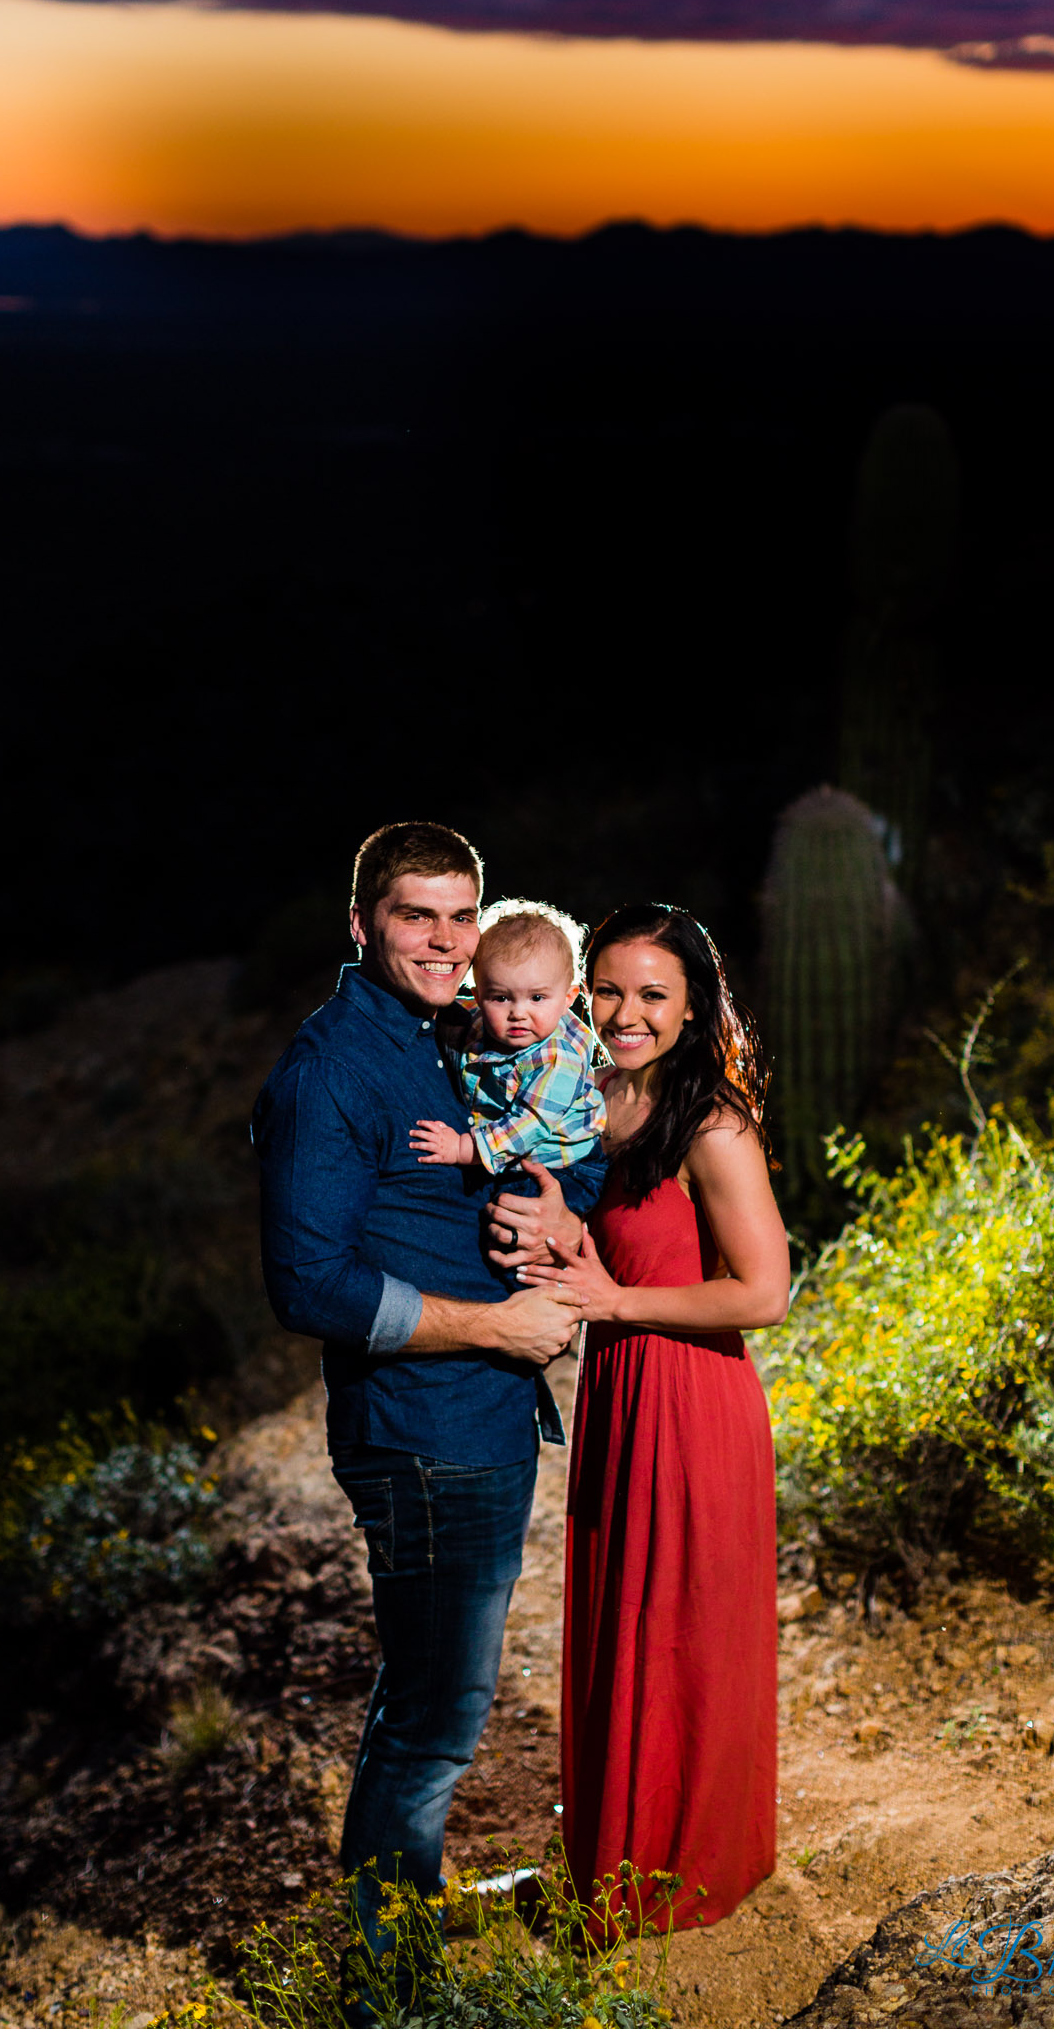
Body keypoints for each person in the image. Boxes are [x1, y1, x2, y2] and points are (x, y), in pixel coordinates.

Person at [250, 823, 606, 2014]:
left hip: (478, 1423)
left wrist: (557, 1204)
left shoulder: (442, 1035)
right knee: (435, 1721)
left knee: (436, 1696)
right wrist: (497, 1327)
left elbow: (540, 1141)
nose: (449, 940)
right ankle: (393, 1987)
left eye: (464, 915)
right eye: (419, 916)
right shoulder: (331, 1070)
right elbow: (312, 1283)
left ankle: (409, 1913)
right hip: (423, 1428)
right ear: (363, 926)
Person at [517, 902, 791, 1933]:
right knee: (620, 1622)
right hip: (621, 1390)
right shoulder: (585, 1097)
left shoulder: (710, 1122)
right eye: (611, 988)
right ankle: (613, 1858)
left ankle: (690, 1876)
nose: (627, 1012)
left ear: (692, 1008)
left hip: (692, 1399)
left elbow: (764, 1291)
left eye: (654, 994)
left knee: (680, 1637)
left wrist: (617, 1302)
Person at [410, 898, 606, 1175]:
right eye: (501, 998)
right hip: (509, 1152)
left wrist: (462, 1149)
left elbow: (530, 1123)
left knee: (506, 1212)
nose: (518, 1013)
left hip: (562, 1165)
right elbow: (453, 1012)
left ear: (568, 999)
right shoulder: (482, 1018)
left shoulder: (558, 1057)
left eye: (537, 998)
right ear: (478, 997)